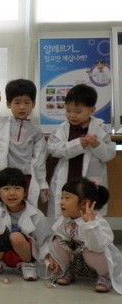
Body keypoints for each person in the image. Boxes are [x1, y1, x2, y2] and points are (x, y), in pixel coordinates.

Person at [47, 84, 115, 218]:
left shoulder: (100, 128)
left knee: (88, 213)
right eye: (68, 111)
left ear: (92, 110)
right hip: (67, 179)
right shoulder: (61, 129)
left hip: (89, 180)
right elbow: (53, 149)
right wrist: (78, 145)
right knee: (63, 215)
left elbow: (108, 154)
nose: (72, 115)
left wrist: (97, 144)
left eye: (78, 112)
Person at [0, 79, 49, 206]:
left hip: (25, 178)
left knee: (24, 211)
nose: (22, 107)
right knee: (0, 210)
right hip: (3, 177)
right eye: (17, 102)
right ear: (8, 104)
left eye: (26, 102)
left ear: (33, 104)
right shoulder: (1, 124)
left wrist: (42, 183)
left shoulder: (36, 130)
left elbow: (39, 160)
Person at [45, 178, 122, 293]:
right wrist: (53, 257)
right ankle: (69, 271)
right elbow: (60, 238)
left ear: (85, 203)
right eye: (62, 197)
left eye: (67, 198)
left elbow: (98, 247)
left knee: (90, 250)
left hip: (97, 262)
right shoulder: (66, 220)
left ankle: (104, 277)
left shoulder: (97, 222)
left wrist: (90, 225)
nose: (61, 202)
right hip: (78, 261)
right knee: (56, 242)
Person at [0, 168, 52, 281]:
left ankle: (28, 265)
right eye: (6, 189)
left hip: (26, 254)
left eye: (17, 188)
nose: (12, 193)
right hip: (4, 255)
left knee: (15, 237)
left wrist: (50, 259)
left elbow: (45, 240)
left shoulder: (35, 214)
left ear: (25, 192)